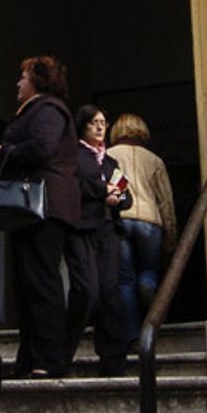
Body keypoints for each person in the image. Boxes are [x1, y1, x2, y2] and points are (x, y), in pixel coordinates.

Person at [0, 56, 77, 378]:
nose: (18, 83)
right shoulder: (39, 110)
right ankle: (31, 360)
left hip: (45, 207)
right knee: (29, 284)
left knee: (41, 283)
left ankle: (49, 360)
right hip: (32, 210)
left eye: (23, 76)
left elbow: (42, 148)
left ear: (38, 81)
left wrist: (2, 151)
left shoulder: (48, 109)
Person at [65, 106, 132, 376]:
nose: (100, 127)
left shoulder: (110, 162)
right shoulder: (74, 156)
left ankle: (113, 360)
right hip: (83, 228)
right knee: (86, 292)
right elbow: (72, 186)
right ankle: (60, 355)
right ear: (83, 126)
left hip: (108, 229)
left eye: (103, 122)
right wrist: (101, 191)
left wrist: (119, 199)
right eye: (94, 123)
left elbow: (127, 193)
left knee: (111, 294)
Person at [105, 113, 177, 318]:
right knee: (148, 271)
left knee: (125, 278)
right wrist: (171, 235)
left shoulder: (109, 157)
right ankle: (149, 299)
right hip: (149, 221)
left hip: (120, 218)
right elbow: (165, 200)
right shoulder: (155, 161)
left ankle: (131, 334)